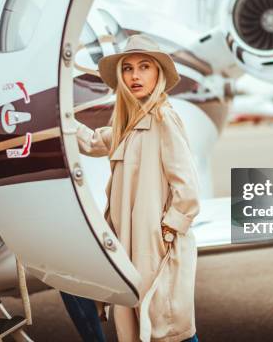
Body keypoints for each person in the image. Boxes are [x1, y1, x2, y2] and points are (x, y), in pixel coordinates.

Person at [71, 34, 201, 342]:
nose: (135, 75)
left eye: (144, 67)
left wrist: (167, 231)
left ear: (158, 74)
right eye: (128, 69)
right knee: (143, 321)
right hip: (128, 239)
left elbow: (188, 188)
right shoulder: (127, 122)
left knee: (169, 326)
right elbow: (91, 142)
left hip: (155, 242)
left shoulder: (163, 118)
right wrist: (57, 117)